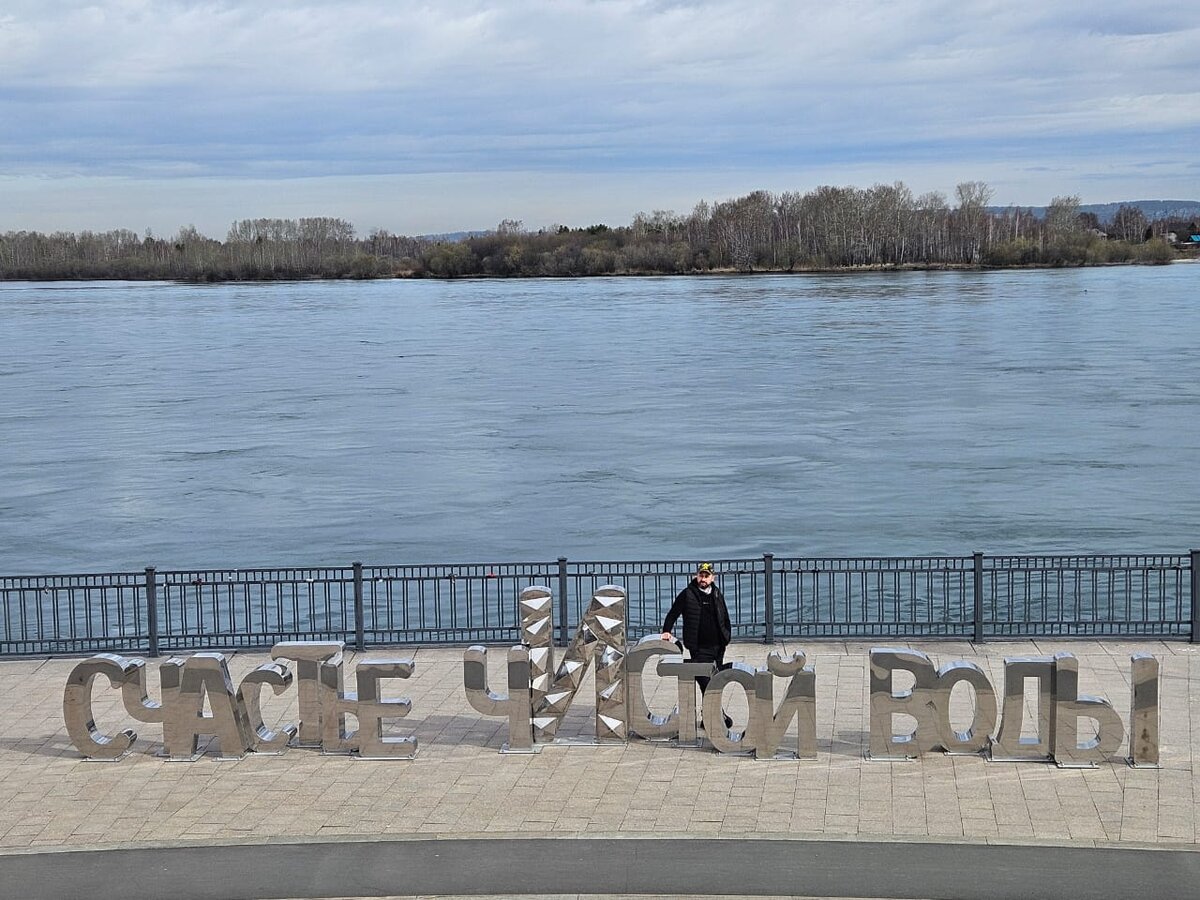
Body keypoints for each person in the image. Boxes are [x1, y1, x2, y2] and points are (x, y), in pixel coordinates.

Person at [660, 561, 733, 730]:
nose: (703, 579)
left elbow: (725, 616)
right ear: (696, 576)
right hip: (699, 648)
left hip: (718, 646)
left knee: (715, 682)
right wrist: (666, 630)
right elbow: (673, 613)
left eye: (707, 576)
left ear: (712, 577)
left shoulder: (716, 593)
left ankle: (710, 717)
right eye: (701, 575)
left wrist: (726, 636)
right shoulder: (687, 594)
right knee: (705, 682)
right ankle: (715, 716)